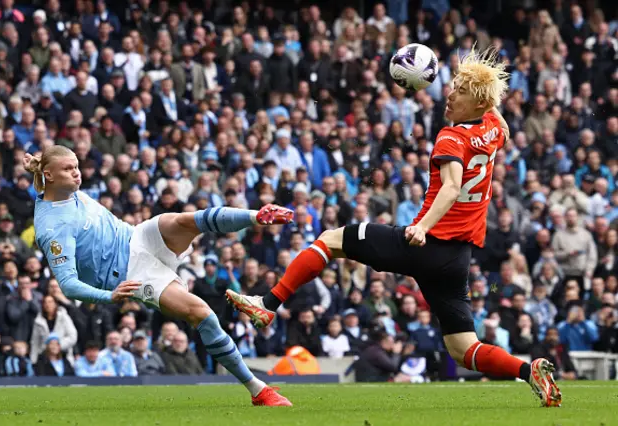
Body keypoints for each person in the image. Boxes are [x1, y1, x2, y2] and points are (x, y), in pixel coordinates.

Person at [228, 48, 561, 407]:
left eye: (461, 92)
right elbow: (501, 124)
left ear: (478, 104)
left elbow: (451, 187)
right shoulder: (493, 128)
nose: (450, 94)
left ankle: (267, 302)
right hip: (456, 257)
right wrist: (481, 88)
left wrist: (422, 228)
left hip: (426, 243)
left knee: (331, 239)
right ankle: (531, 372)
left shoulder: (451, 138)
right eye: (453, 87)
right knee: (463, 348)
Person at [24, 146, 293, 406]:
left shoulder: (62, 187)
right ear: (49, 175)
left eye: (77, 166)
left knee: (180, 220)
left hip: (135, 236)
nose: (77, 173)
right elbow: (68, 285)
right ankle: (258, 389)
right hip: (129, 273)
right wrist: (110, 296)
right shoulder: (51, 228)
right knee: (202, 313)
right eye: (69, 169)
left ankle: (258, 215)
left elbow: (45, 171)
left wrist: (35, 165)